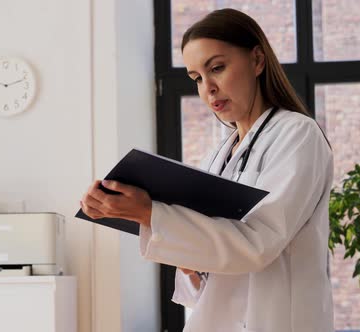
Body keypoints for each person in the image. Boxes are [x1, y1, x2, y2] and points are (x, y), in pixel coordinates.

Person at [80, 8, 334, 332]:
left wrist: (152, 214)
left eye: (217, 68)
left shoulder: (298, 134)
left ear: (257, 60)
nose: (208, 88)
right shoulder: (219, 155)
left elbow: (257, 245)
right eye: (197, 78)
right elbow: (206, 279)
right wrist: (142, 218)